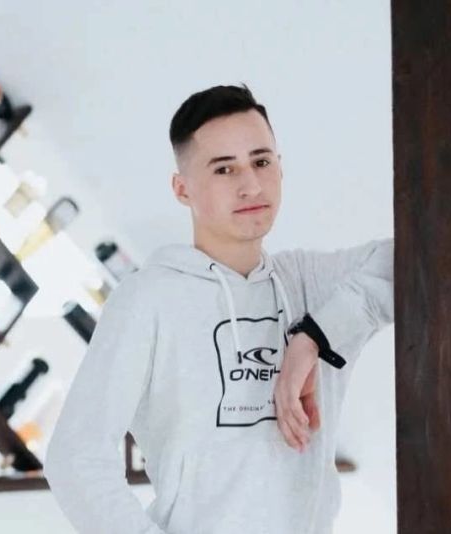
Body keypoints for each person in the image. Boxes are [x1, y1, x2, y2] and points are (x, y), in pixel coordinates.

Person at [44, 84, 394, 534]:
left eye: (261, 162)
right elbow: (75, 456)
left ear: (280, 168)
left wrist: (313, 337)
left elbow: (428, 258)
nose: (250, 185)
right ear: (182, 189)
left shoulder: (309, 284)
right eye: (224, 169)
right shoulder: (148, 299)